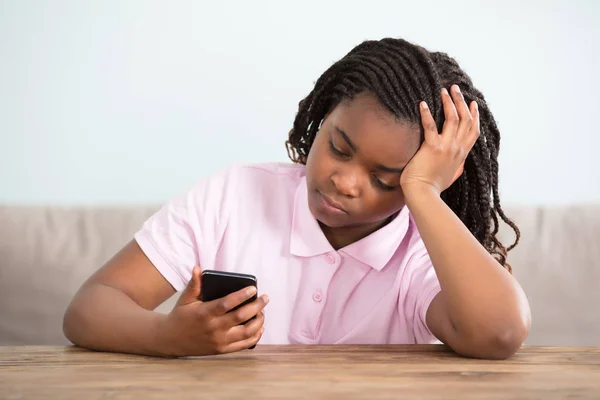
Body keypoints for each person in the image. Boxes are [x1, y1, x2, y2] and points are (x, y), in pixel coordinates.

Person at [63, 37, 531, 360]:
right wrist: (165, 335)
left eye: (388, 180)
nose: (345, 181)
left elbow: (500, 333)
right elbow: (88, 309)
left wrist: (425, 195)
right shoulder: (233, 195)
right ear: (322, 117)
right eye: (339, 148)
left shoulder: (423, 249)